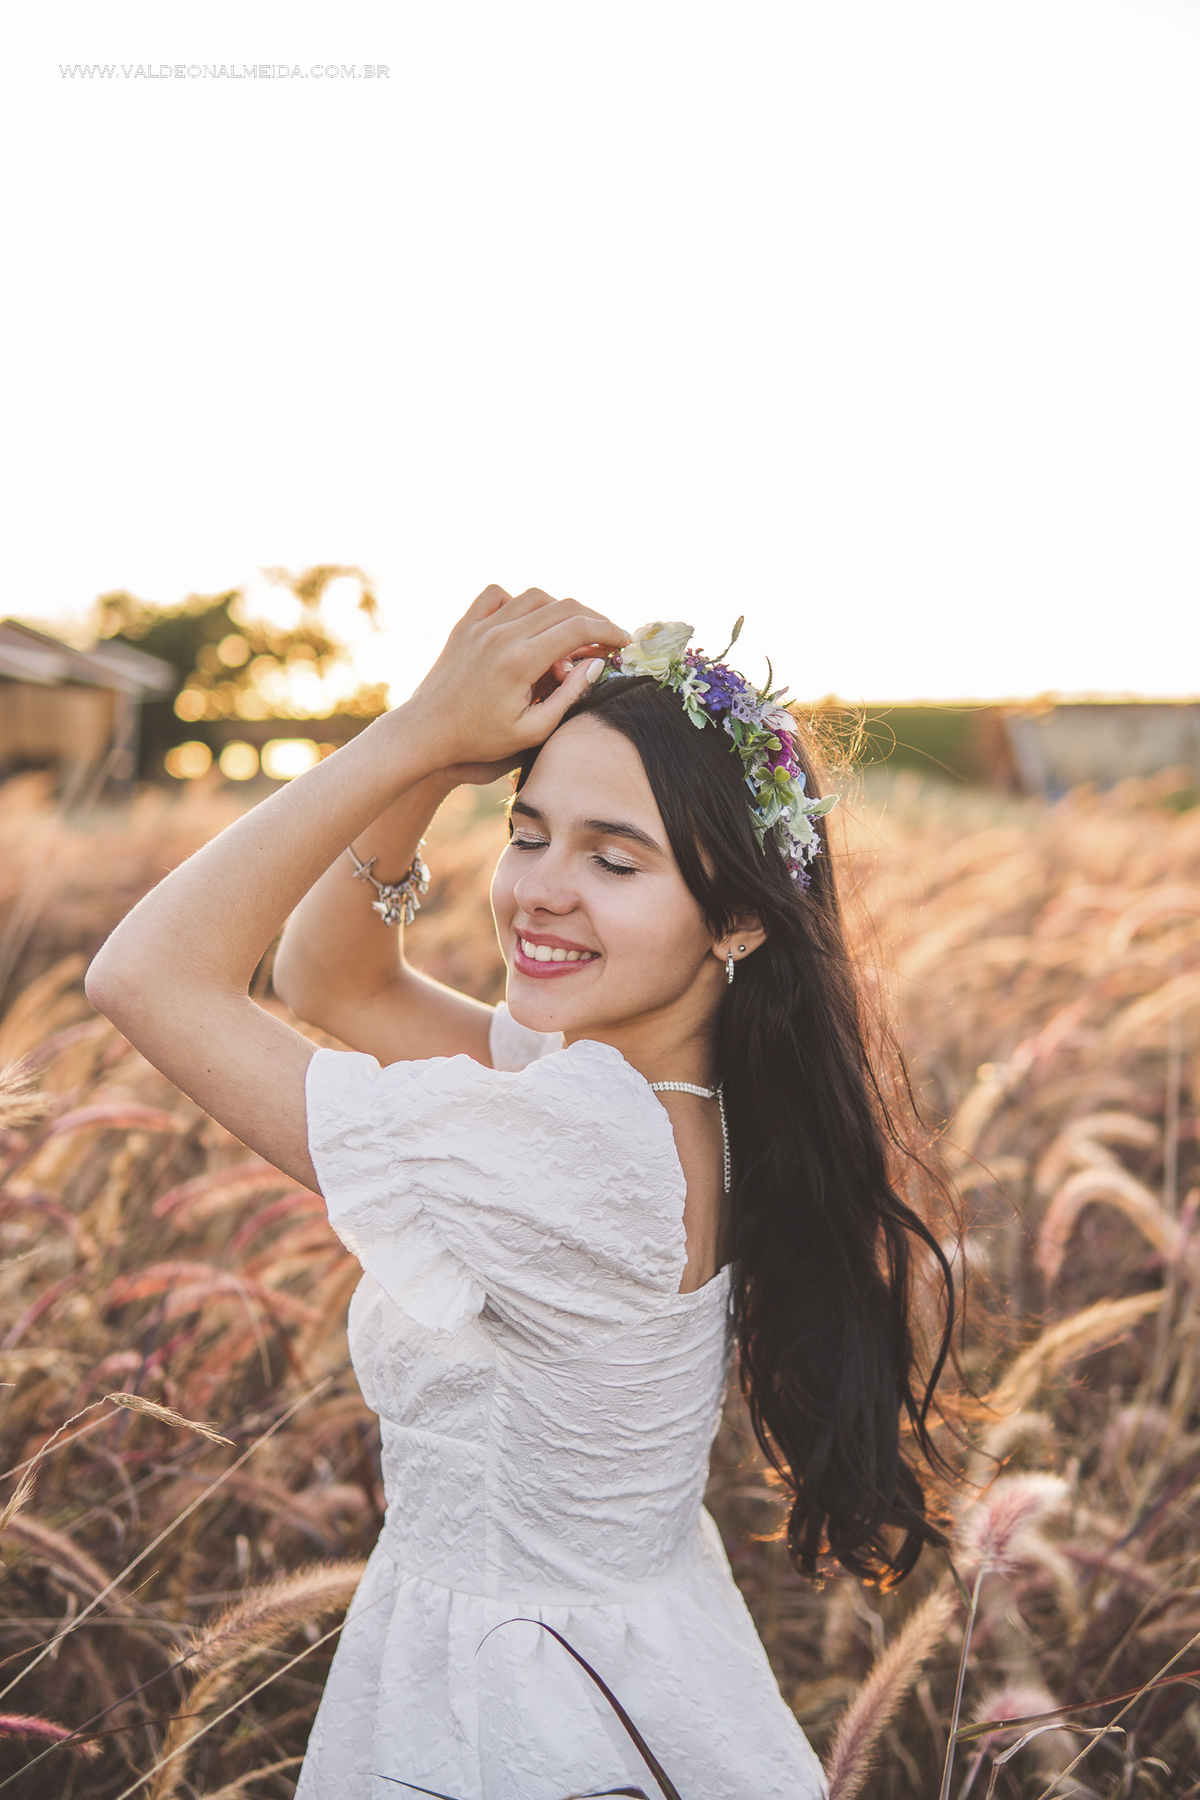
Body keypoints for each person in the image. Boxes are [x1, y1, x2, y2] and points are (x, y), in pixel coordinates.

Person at [86, 586, 953, 1800]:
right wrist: (435, 764)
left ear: (742, 919)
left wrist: (411, 733)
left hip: (514, 1715)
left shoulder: (580, 1152)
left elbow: (145, 973)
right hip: (617, 1662)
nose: (541, 889)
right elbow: (332, 976)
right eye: (527, 830)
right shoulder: (656, 1098)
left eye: (614, 857)